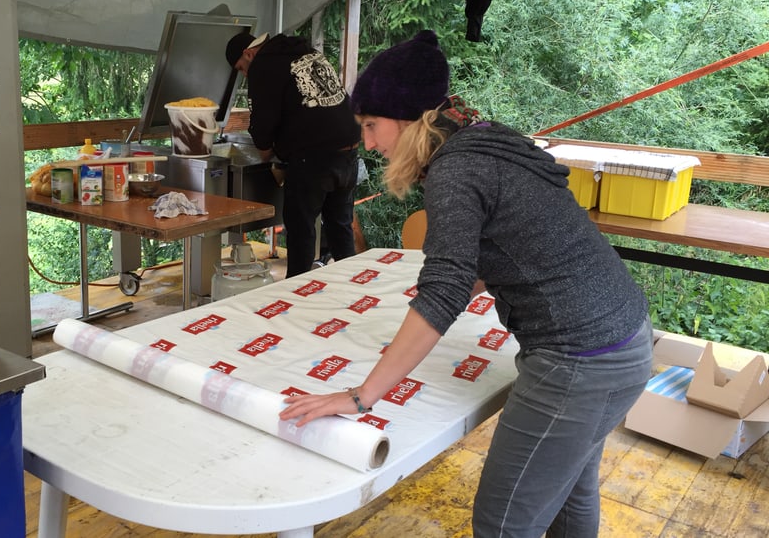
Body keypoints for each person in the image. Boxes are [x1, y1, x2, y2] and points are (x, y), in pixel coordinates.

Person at [279, 30, 653, 538]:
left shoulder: (455, 168)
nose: (367, 142)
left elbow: (447, 289)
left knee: (502, 524)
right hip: (623, 339)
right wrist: (446, 293)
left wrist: (361, 397)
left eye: (371, 125)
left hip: (579, 361)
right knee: (570, 496)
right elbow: (507, 245)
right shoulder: (485, 138)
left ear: (411, 119)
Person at [225, 31, 361, 277]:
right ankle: (351, 291)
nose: (245, 74)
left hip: (314, 155)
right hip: (349, 149)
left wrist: (266, 152)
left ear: (249, 53)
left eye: (242, 68)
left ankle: (296, 293)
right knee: (340, 227)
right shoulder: (303, 51)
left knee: (301, 230)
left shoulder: (263, 64)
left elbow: (262, 123)